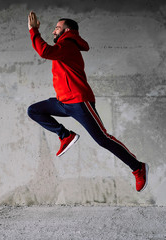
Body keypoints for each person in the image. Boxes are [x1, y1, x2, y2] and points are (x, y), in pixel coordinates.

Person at [27, 11, 149, 192]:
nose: (53, 32)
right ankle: (65, 135)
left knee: (103, 139)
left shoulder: (68, 44)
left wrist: (34, 31)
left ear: (67, 30)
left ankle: (138, 167)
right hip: (63, 102)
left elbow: (44, 51)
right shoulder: (63, 45)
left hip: (79, 102)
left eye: (57, 28)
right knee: (34, 110)